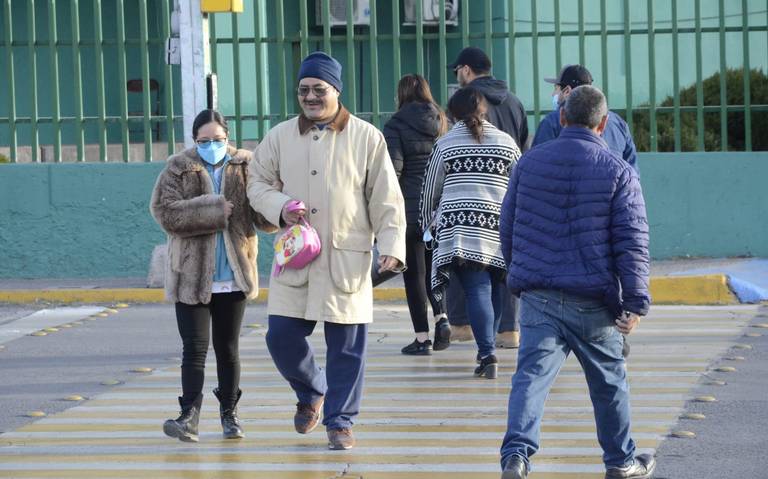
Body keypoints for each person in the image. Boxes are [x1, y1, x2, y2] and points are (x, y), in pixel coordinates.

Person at [246, 52, 406, 451]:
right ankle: (313, 391)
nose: (311, 97)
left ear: (336, 90)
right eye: (304, 90)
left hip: (346, 257)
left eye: (319, 89)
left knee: (347, 348)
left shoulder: (367, 137)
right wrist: (280, 206)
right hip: (296, 257)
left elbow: (385, 198)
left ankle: (340, 421)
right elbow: (257, 183)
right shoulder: (280, 136)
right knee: (281, 337)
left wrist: (391, 246)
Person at [498, 85, 654, 479]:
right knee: (609, 384)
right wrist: (635, 302)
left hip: (538, 297)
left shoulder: (528, 164)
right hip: (593, 303)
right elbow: (632, 241)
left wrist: (521, 277)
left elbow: (507, 228)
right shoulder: (619, 170)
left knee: (530, 380)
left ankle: (516, 457)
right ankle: (620, 462)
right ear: (603, 123)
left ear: (562, 118)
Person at [150, 109, 277, 443]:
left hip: (234, 274)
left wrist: (280, 202)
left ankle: (230, 415)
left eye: (218, 140)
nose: (211, 146)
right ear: (194, 140)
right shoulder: (178, 168)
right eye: (204, 141)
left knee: (228, 348)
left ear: (228, 138)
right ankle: (189, 415)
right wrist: (213, 210)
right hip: (189, 274)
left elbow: (264, 220)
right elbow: (165, 213)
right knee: (193, 348)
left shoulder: (246, 166)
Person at [420, 87, 521, 379]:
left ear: (452, 114)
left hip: (460, 228)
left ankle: (487, 353)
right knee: (498, 288)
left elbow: (430, 189)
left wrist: (428, 223)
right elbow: (520, 185)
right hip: (498, 225)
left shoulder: (445, 143)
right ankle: (488, 348)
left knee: (477, 289)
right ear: (484, 110)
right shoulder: (506, 143)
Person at [447, 46, 527, 348]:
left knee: (464, 262)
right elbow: (522, 147)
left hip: (467, 197)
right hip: (505, 197)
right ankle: (509, 330)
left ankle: (462, 324)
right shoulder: (515, 103)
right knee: (504, 263)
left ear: (466, 70)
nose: (458, 76)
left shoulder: (462, 102)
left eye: (457, 71)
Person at [383, 74, 450, 355]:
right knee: (434, 269)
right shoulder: (442, 121)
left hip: (409, 209)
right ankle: (442, 317)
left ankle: (422, 339)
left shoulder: (395, 124)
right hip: (438, 208)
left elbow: (394, 170)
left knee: (413, 274)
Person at [532, 64, 638, 171]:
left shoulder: (552, 122)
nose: (553, 94)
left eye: (556, 89)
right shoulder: (618, 123)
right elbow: (632, 173)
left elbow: (537, 167)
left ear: (567, 91)